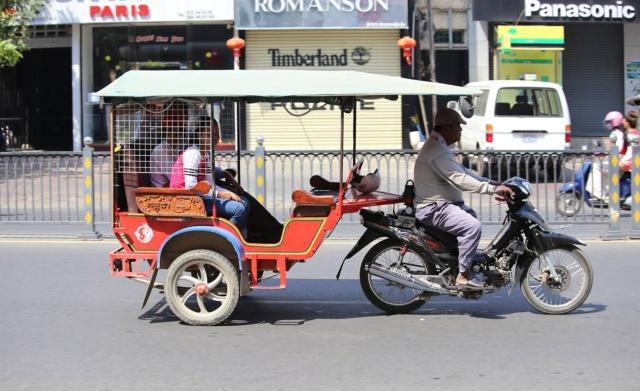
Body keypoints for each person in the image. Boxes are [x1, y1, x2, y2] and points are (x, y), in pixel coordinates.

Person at [413, 108, 513, 288]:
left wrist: (492, 182)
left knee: (471, 215)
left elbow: (464, 172)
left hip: (444, 204)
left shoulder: (440, 146)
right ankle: (463, 277)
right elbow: (461, 180)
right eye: (458, 126)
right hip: (435, 208)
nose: (461, 130)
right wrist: (492, 189)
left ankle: (459, 264)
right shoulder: (437, 150)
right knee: (472, 227)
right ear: (446, 128)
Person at [169, 117, 250, 234]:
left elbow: (209, 184)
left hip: (199, 198)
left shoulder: (205, 154)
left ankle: (242, 237)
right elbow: (191, 186)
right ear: (199, 135)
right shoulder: (193, 154)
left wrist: (230, 194)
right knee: (239, 209)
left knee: (244, 201)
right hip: (186, 200)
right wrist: (221, 194)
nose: (214, 138)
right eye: (209, 134)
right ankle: (223, 237)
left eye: (216, 134)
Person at [150, 103, 187, 187]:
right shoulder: (160, 150)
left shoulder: (182, 145)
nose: (176, 119)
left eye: (180, 114)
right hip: (166, 194)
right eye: (172, 114)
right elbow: (177, 178)